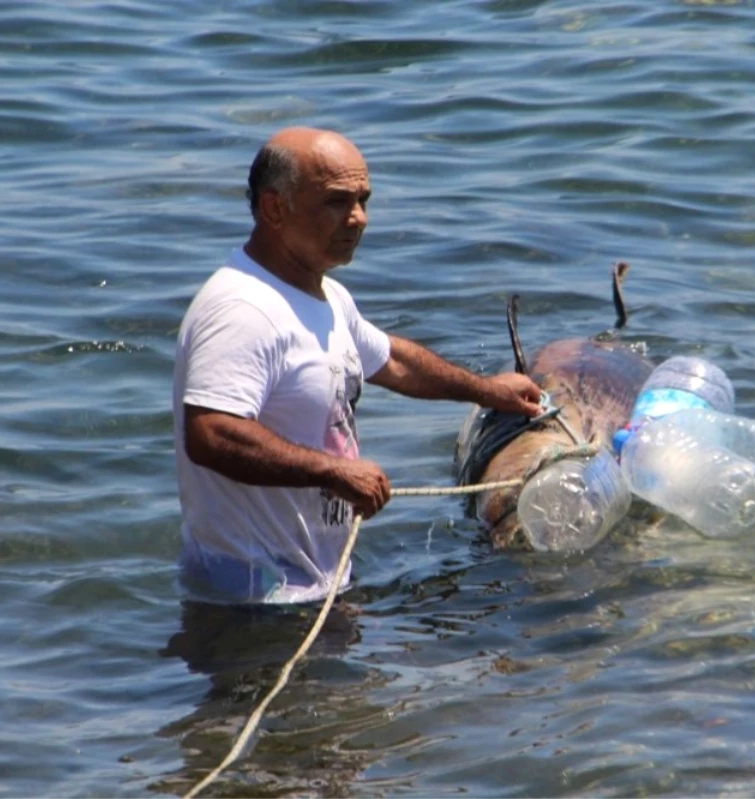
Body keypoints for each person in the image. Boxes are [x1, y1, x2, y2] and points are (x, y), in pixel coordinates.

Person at [172, 127, 543, 605]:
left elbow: (393, 361)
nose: (359, 218)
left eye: (364, 199)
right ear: (273, 208)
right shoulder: (242, 310)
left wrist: (487, 391)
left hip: (317, 583)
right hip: (249, 602)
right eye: (336, 202)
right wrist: (334, 472)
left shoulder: (323, 293)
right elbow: (211, 433)